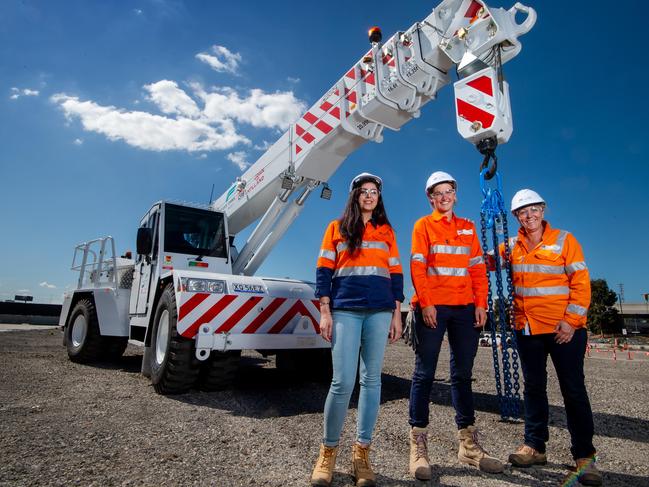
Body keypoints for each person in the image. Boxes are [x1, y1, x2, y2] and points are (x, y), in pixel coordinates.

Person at [406, 171, 504, 481]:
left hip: (465, 310)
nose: (445, 197)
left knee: (462, 375)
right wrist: (426, 302)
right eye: (439, 193)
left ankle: (469, 446)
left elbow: (477, 271)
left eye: (449, 191)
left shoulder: (468, 228)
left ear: (455, 195)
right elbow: (418, 266)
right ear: (431, 198)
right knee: (424, 373)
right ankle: (418, 446)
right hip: (434, 306)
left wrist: (481, 303)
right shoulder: (423, 226)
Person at [310, 172, 404, 487]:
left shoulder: (387, 231)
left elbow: (395, 273)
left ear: (379, 197)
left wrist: (396, 313)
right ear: (354, 196)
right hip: (345, 309)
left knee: (372, 380)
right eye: (363, 191)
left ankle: (362, 453)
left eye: (374, 191)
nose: (369, 195)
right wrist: (325, 310)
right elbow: (323, 270)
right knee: (342, 382)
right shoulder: (336, 229)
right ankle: (328, 453)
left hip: (379, 311)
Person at [504, 189, 601, 486]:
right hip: (529, 329)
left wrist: (571, 322)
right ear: (516, 217)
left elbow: (581, 283)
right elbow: (480, 257)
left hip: (564, 331)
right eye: (523, 212)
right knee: (533, 388)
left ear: (543, 210)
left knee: (573, 390)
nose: (529, 215)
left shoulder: (564, 240)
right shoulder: (512, 246)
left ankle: (585, 457)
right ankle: (535, 446)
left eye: (534, 209)